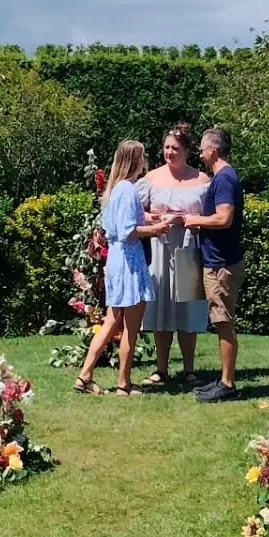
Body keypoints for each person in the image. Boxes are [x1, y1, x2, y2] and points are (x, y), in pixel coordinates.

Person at [74, 141, 172, 396]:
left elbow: (123, 222)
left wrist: (152, 217)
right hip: (130, 261)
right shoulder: (128, 189)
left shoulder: (114, 190)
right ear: (134, 161)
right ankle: (124, 383)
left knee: (110, 322)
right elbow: (130, 231)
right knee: (131, 326)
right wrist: (156, 230)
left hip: (116, 260)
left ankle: (85, 375)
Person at [136, 123, 209, 387]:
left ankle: (190, 370)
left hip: (190, 246)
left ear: (187, 151)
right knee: (161, 306)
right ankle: (161, 369)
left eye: (175, 148)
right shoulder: (152, 179)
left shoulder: (201, 180)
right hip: (160, 245)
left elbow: (213, 215)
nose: (169, 152)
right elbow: (135, 212)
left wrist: (190, 219)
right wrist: (155, 217)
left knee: (189, 307)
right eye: (166, 147)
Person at [184, 126, 244, 402]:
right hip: (218, 261)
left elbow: (224, 218)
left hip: (222, 264)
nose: (200, 152)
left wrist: (196, 221)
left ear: (214, 150)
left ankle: (228, 384)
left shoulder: (224, 179)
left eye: (203, 147)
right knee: (221, 320)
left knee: (223, 322)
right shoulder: (223, 177)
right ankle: (223, 379)